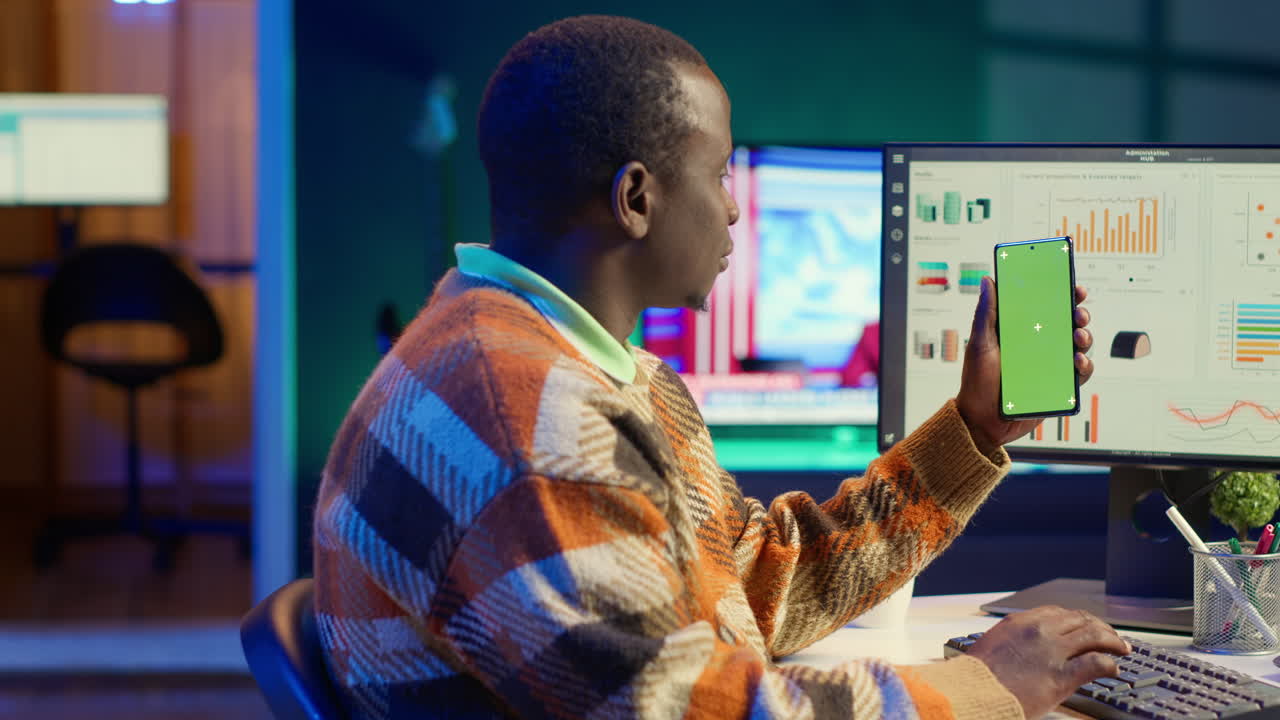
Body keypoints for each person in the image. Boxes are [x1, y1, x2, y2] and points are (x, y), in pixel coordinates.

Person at [312, 15, 1125, 720]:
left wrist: (977, 427)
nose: (735, 206)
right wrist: (982, 688)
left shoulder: (572, 361)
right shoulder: (533, 422)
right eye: (721, 172)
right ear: (637, 198)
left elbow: (757, 586)